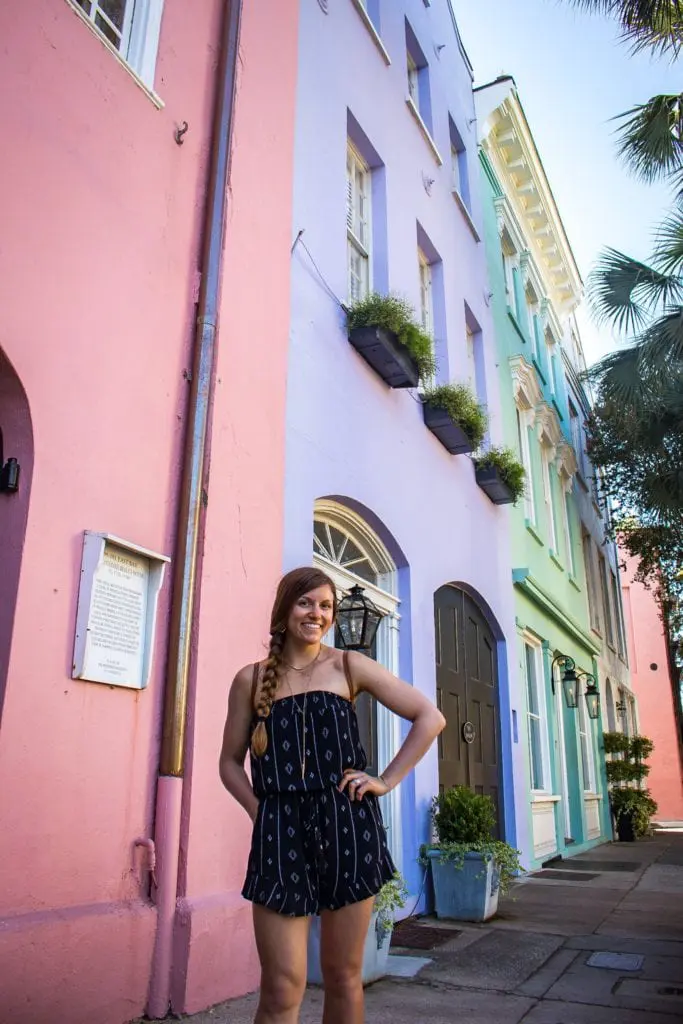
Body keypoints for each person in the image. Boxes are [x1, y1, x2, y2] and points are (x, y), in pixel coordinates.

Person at [219, 566, 445, 1024]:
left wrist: (384, 779)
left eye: (325, 606)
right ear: (284, 610)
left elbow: (429, 717)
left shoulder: (349, 665)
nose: (316, 613)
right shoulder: (250, 679)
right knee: (281, 986)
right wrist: (258, 809)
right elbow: (228, 762)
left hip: (347, 828)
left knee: (343, 976)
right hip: (279, 835)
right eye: (306, 603)